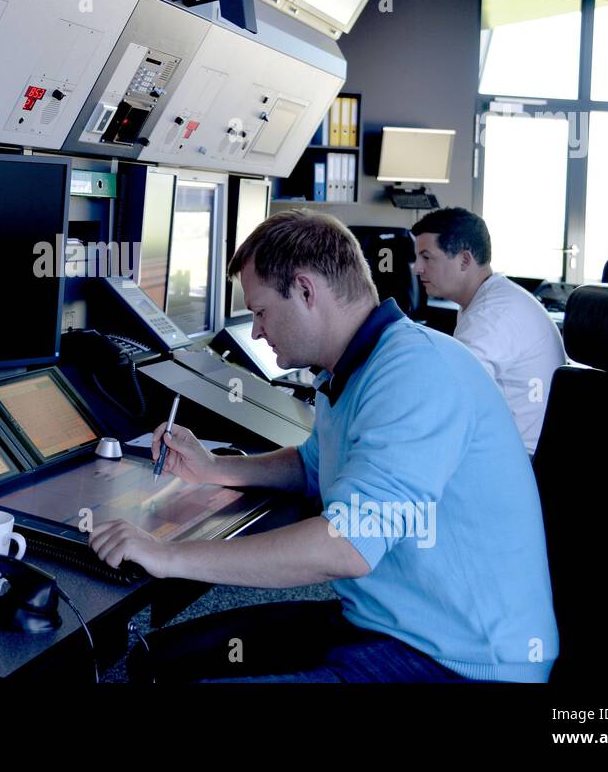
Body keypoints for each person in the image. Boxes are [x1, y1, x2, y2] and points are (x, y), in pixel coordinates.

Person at [88, 209, 558, 682]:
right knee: (158, 661)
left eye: (261, 311)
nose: (255, 331)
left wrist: (166, 556)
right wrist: (214, 468)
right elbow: (312, 467)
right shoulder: (352, 369)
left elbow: (344, 545)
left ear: (307, 291)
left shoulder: (416, 372)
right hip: (386, 623)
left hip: (466, 661)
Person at [411, 207, 566, 454]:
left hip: (521, 461)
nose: (417, 268)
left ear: (464, 260)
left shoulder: (492, 315)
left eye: (427, 257)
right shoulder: (486, 301)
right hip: (509, 447)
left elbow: (447, 394)